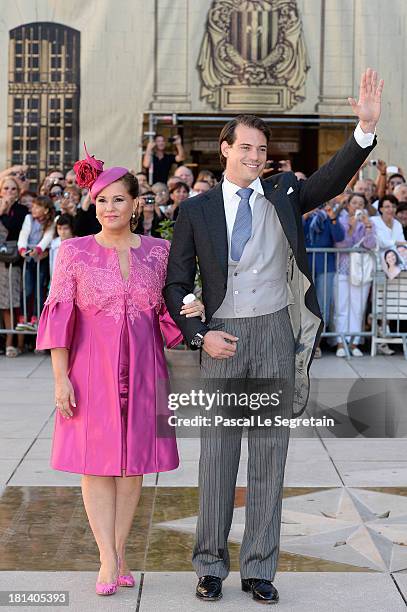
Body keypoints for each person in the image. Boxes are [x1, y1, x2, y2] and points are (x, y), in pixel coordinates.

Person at [164, 67, 383, 604]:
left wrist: (363, 131)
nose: (256, 156)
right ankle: (210, 564)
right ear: (224, 150)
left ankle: (260, 568)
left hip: (273, 335)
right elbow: (175, 283)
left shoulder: (284, 192)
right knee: (217, 456)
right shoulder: (194, 209)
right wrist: (198, 333)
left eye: (263, 148)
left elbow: (328, 181)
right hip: (222, 338)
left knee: (268, 453)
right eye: (246, 147)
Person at [35, 147, 204, 597]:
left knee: (134, 467)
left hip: (146, 367)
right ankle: (107, 557)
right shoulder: (73, 253)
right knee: (96, 464)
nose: (110, 208)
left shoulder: (159, 252)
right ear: (93, 204)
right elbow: (59, 317)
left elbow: (171, 312)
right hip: (90, 367)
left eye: (119, 199)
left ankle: (120, 549)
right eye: (102, 199)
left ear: (136, 203)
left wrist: (193, 312)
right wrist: (60, 377)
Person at [303, 200, 345, 357]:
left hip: (326, 267)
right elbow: (295, 232)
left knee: (322, 307)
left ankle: (316, 345)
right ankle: (303, 344)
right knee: (303, 306)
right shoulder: (305, 216)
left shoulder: (328, 217)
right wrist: (305, 215)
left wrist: (333, 218)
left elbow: (339, 237)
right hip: (305, 266)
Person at [334, 203, 376, 357]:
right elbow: (341, 245)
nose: (357, 206)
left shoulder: (369, 222)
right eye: (354, 203)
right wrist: (351, 228)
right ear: (348, 206)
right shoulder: (341, 221)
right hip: (343, 270)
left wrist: (368, 227)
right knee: (342, 308)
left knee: (358, 309)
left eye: (360, 203)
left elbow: (370, 244)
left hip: (361, 272)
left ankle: (354, 343)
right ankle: (340, 342)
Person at [17, 195, 56, 331]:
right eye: (33, 206)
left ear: (45, 210)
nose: (33, 209)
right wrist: (22, 249)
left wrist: (39, 249)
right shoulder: (28, 219)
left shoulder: (51, 221)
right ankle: (23, 317)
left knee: (39, 288)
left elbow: (48, 237)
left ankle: (36, 317)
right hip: (29, 257)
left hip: (41, 258)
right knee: (27, 289)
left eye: (37, 206)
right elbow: (23, 234)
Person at [0, 175, 28, 357]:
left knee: (8, 303)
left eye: (13, 189)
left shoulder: (21, 210)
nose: (9, 192)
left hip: (10, 262)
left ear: (18, 193)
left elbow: (13, 227)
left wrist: (4, 209)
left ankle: (10, 342)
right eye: (6, 188)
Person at [49, 213, 75, 278]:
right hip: (57, 278)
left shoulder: (78, 244)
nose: (62, 232)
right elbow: (52, 263)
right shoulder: (54, 243)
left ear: (72, 228)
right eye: (59, 228)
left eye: (65, 228)